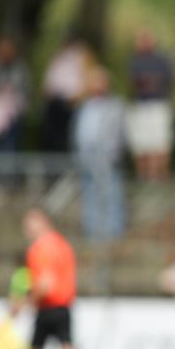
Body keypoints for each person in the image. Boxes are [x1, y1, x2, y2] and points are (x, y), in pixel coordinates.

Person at [6, 208, 88, 349]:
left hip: (48, 309)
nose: (27, 229)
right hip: (64, 308)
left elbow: (45, 283)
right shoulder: (63, 244)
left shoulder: (41, 248)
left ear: (44, 222)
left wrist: (26, 302)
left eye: (30, 224)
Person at [72, 67, 126, 240]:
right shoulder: (85, 107)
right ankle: (92, 232)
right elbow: (80, 133)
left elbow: (118, 134)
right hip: (87, 158)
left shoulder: (115, 106)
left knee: (111, 195)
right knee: (90, 195)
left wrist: (111, 155)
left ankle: (114, 232)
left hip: (108, 158)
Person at [126, 30, 175, 180]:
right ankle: (144, 176)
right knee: (142, 145)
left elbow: (166, 81)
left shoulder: (162, 60)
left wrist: (149, 82)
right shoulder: (135, 61)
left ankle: (159, 176)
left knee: (160, 143)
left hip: (158, 105)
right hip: (141, 106)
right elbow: (135, 83)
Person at [42, 34, 92, 153]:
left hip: (72, 105)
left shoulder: (82, 58)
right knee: (53, 140)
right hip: (55, 104)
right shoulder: (58, 59)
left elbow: (85, 83)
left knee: (69, 140)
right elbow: (48, 84)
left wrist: (75, 99)